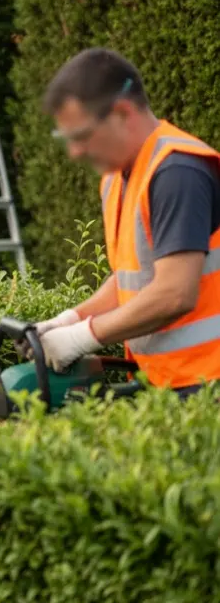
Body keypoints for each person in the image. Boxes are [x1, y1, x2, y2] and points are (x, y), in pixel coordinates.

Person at [30, 47, 220, 397]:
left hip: (207, 382)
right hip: (166, 380)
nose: (74, 152)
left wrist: (83, 337)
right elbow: (133, 278)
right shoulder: (119, 177)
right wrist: (69, 319)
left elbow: (175, 293)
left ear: (121, 113)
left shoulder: (177, 172)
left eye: (81, 136)